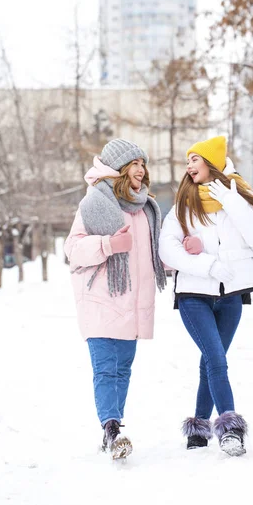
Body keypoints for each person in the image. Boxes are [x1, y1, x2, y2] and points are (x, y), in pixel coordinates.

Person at [159, 136, 253, 456]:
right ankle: (231, 429)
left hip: (232, 295)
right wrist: (207, 264)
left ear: (211, 162)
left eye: (194, 159)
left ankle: (198, 428)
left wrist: (233, 200)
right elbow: (166, 245)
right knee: (217, 359)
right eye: (187, 161)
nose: (188, 165)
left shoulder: (238, 193)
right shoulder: (184, 201)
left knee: (210, 362)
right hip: (194, 294)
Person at [64, 138, 166, 460]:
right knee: (106, 370)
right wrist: (108, 244)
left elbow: (157, 256)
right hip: (100, 300)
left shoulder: (148, 208)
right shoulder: (93, 204)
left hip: (134, 304)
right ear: (120, 168)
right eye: (135, 163)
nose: (141, 170)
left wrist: (183, 254)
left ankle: (113, 429)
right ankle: (111, 428)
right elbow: (72, 250)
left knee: (123, 371)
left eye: (143, 164)